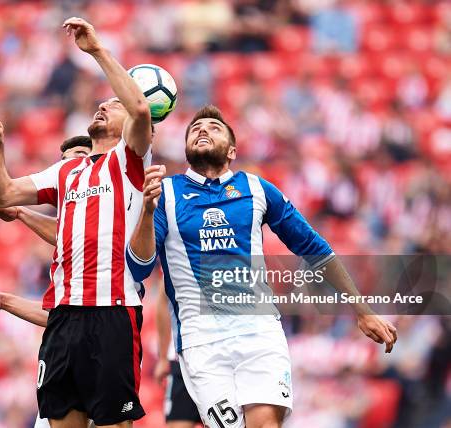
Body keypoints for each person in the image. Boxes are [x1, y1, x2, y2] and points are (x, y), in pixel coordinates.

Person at [126, 105, 397, 428]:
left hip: (258, 332)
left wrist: (361, 308)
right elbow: (139, 267)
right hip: (201, 342)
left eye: (214, 127)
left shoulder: (256, 189)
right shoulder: (165, 194)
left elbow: (313, 247)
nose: (202, 130)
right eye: (195, 129)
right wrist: (145, 211)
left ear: (232, 150)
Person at [0, 17, 152, 428]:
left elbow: (139, 107)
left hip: (112, 311)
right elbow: (3, 195)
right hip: (64, 316)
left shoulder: (130, 161)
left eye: (113, 105)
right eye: (102, 103)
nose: (103, 105)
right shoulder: (67, 172)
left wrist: (96, 51)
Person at [0, 135, 94, 428]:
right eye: (67, 159)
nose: (74, 163)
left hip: (108, 345)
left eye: (83, 154)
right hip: (67, 349)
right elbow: (59, 318)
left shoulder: (114, 211)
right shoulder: (66, 261)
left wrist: (19, 211)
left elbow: (76, 233)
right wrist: (4, 300)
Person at [153, 284, 201, 428]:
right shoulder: (178, 262)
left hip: (220, 354)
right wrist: (162, 358)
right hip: (183, 357)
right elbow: (163, 297)